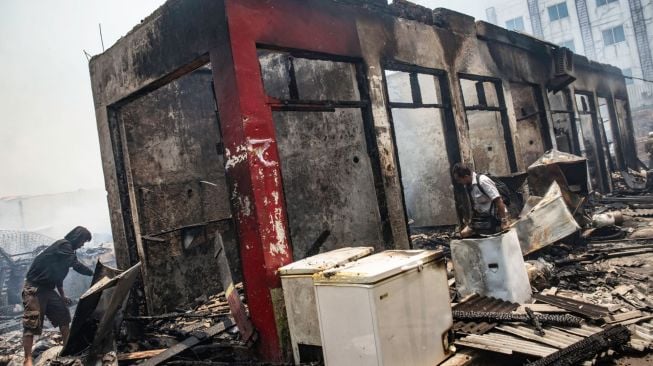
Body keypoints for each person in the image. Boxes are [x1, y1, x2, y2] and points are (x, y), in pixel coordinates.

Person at [21, 226, 93, 366]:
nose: (82, 245)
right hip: (34, 287)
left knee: (63, 316)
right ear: (77, 237)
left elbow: (58, 276)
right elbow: (76, 265)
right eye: (83, 241)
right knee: (32, 321)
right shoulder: (64, 245)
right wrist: (93, 272)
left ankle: (67, 349)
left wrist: (62, 296)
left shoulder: (67, 251)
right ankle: (27, 359)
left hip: (48, 289)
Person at [452, 163, 510, 238]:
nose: (458, 182)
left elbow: (499, 201)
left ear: (466, 177)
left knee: (490, 240)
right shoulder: (468, 185)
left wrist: (504, 221)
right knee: (462, 234)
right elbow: (475, 206)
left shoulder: (482, 181)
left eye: (459, 180)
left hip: (494, 217)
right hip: (482, 218)